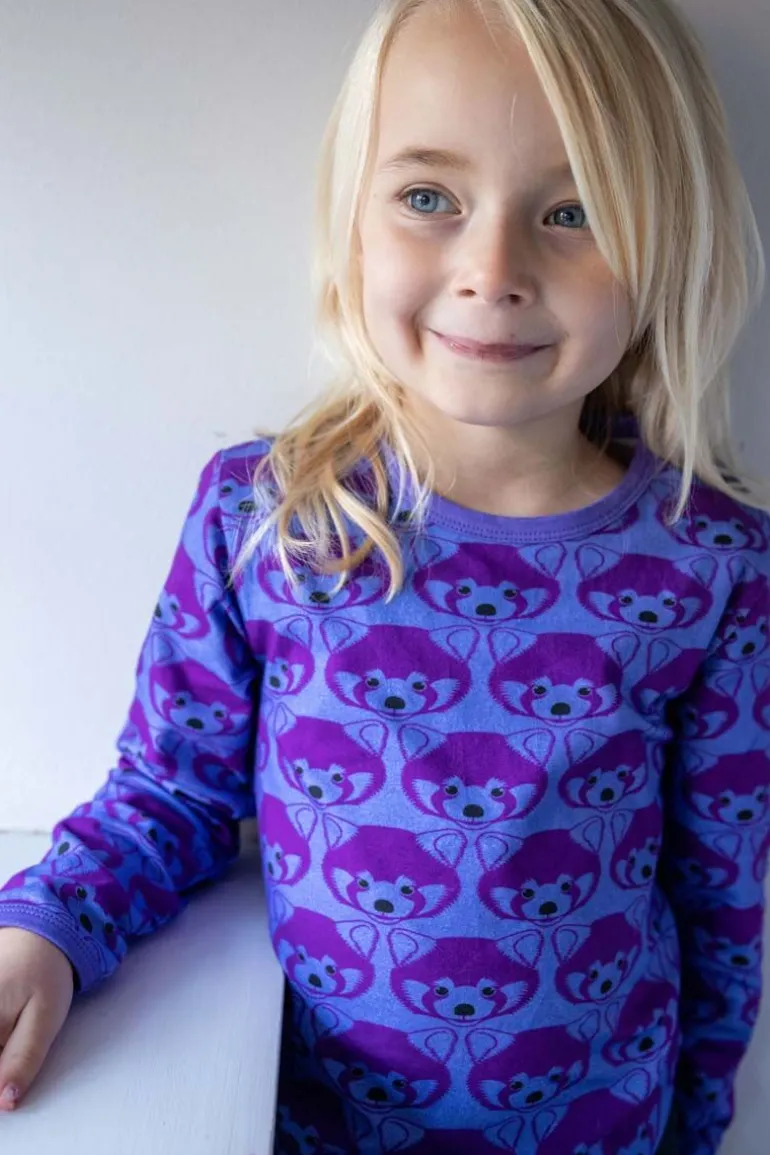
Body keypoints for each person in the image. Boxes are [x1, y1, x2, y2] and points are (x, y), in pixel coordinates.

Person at [0, 0, 768, 1151]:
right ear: (352, 218)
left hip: (603, 1128)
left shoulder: (711, 565)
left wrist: (700, 1124)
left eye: (573, 212)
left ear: (666, 244)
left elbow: (721, 898)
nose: (492, 271)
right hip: (312, 1126)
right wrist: (45, 933)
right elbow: (174, 794)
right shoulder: (265, 518)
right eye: (427, 198)